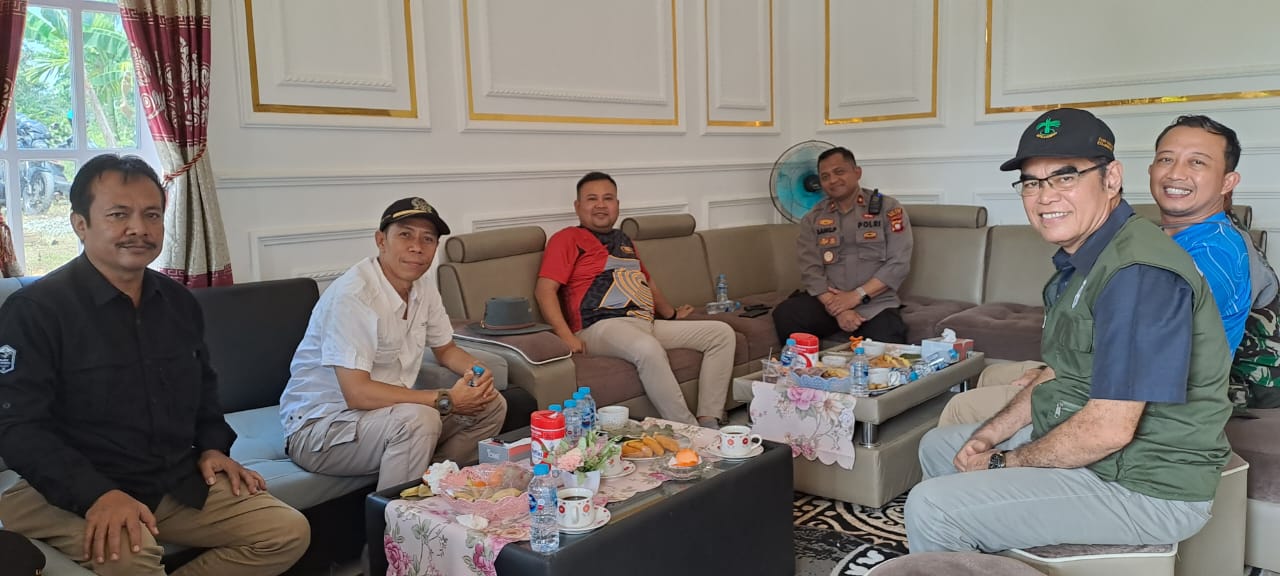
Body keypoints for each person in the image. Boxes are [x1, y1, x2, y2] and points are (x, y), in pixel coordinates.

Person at [905, 108, 1232, 553]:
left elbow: (1109, 431)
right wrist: (989, 435)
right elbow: (1059, 372)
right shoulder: (1087, 258)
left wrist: (1003, 463)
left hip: (1143, 485)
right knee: (939, 447)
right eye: (1032, 183)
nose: (1045, 197)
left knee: (932, 507)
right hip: (1101, 453)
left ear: (1111, 178)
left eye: (1065, 177)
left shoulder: (1137, 274)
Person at [0, 154, 310, 575]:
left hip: (167, 478)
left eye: (152, 215)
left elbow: (203, 387)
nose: (139, 229)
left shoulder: (178, 301)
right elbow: (18, 429)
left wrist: (212, 447)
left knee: (285, 531)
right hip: (64, 488)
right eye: (118, 215)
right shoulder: (36, 311)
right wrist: (97, 495)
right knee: (134, 557)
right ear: (80, 224)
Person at [937, 114, 1255, 427]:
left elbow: (1146, 359)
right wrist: (1053, 371)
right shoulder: (1156, 237)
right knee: (992, 374)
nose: (1175, 173)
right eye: (1166, 159)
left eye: (1197, 162)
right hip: (1107, 373)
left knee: (962, 408)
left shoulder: (1213, 253)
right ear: (1151, 168)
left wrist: (1055, 378)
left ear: (1228, 182)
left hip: (1154, 406)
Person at [280, 197, 507, 491]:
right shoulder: (354, 296)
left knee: (491, 404)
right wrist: (447, 399)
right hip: (322, 429)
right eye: (405, 235)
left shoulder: (422, 285)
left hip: (385, 417)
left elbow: (446, 350)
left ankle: (435, 487)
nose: (417, 247)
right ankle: (398, 518)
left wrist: (477, 372)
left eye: (427, 239)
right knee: (419, 420)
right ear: (381, 241)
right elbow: (357, 393)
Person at [535, 172, 734, 428]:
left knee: (721, 334)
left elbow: (646, 281)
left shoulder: (623, 239)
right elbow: (544, 290)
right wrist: (565, 336)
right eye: (592, 199)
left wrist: (671, 314)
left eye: (608, 198)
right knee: (647, 348)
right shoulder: (567, 238)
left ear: (617, 205)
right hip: (600, 327)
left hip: (642, 323)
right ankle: (689, 429)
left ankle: (709, 419)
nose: (600, 205)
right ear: (577, 206)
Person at [772, 147, 913, 344]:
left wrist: (856, 296)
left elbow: (898, 264)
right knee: (787, 314)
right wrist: (837, 308)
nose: (832, 180)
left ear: (857, 172)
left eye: (839, 172)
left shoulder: (889, 209)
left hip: (875, 304)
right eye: (825, 176)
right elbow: (810, 269)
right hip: (828, 303)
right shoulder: (813, 218)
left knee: (888, 340)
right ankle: (806, 364)